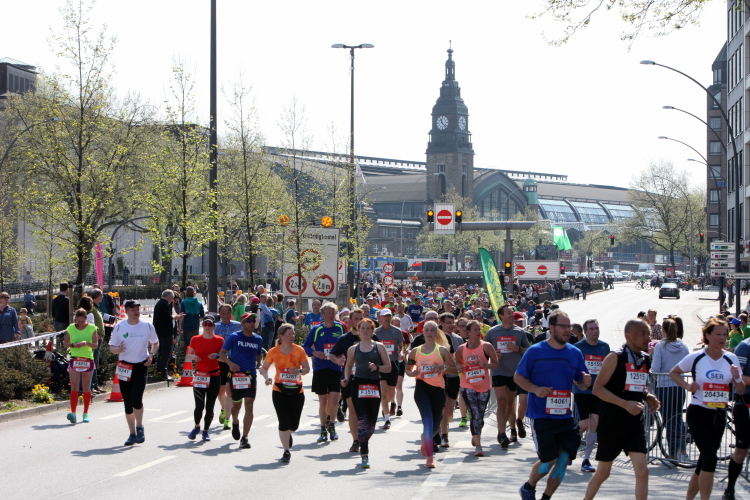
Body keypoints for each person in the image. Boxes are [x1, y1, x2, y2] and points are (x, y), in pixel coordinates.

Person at [515, 310, 591, 500]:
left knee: (564, 459)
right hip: (541, 415)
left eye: (569, 326)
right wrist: (535, 389)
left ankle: (546, 497)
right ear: (551, 327)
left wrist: (584, 382)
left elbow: (580, 382)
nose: (567, 330)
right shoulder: (535, 351)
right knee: (548, 460)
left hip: (565, 416)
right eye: (563, 326)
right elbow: (518, 377)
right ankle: (528, 487)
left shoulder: (575, 353)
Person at [583, 319, 660, 500]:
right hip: (612, 423)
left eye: (648, 334)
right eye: (643, 334)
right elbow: (598, 389)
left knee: (643, 471)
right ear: (628, 335)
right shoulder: (615, 357)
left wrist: (647, 396)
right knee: (603, 472)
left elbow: (636, 386)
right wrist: (625, 404)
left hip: (634, 423)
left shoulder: (645, 359)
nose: (647, 338)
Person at [669, 318, 744, 500]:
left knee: (704, 460)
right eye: (718, 334)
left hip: (718, 415)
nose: (722, 338)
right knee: (710, 458)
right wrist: (688, 386)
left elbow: (741, 390)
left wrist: (737, 378)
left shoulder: (731, 359)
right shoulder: (697, 357)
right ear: (707, 335)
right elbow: (674, 372)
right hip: (698, 413)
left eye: (725, 334)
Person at [406, 320, 457, 468]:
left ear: (436, 333)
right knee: (427, 422)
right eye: (426, 330)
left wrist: (443, 367)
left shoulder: (442, 351)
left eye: (432, 330)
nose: (429, 333)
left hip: (438, 390)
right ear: (423, 332)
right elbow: (408, 369)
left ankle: (425, 438)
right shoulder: (416, 351)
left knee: (435, 425)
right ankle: (430, 457)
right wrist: (412, 373)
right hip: (421, 389)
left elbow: (455, 369)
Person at [342, 319, 391, 469]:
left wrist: (377, 367)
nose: (365, 331)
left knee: (371, 423)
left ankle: (363, 440)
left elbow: (388, 367)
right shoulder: (353, 349)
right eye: (362, 328)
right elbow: (348, 365)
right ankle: (364, 454)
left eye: (368, 328)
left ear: (372, 331)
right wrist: (346, 378)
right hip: (358, 384)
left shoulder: (379, 347)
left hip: (374, 384)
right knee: (362, 420)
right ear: (358, 331)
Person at [109, 300, 159, 446]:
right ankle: (132, 434)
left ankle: (140, 427)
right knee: (127, 402)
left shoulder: (147, 326)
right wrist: (117, 350)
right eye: (133, 310)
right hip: (125, 367)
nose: (136, 312)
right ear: (126, 311)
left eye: (138, 309)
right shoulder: (120, 327)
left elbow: (155, 343)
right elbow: (112, 347)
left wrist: (151, 355)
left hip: (140, 366)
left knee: (137, 398)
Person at [259, 323, 310, 463]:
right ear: (281, 336)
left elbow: (307, 368)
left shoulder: (299, 350)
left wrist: (299, 371)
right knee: (283, 421)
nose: (292, 336)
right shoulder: (274, 351)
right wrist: (266, 377)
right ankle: (286, 450)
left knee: (293, 425)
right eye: (289, 334)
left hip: (297, 390)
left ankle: (288, 433)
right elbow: (264, 368)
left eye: (293, 334)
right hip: (279, 390)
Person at [484, 303, 530, 448]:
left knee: (510, 403)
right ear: (501, 316)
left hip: (514, 373)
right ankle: (502, 433)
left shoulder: (519, 332)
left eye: (512, 312)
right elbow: (483, 350)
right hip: (499, 371)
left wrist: (518, 348)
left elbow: (528, 350)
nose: (511, 315)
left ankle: (511, 429)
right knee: (502, 401)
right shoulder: (492, 332)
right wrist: (493, 355)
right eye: (508, 313)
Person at [303, 301, 346, 444]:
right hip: (320, 368)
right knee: (323, 402)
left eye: (333, 313)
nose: (331, 315)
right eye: (328, 313)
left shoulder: (340, 327)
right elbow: (305, 345)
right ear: (323, 315)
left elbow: (347, 344)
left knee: (334, 400)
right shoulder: (317, 329)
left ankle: (332, 426)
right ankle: (322, 429)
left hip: (335, 368)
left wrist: (344, 357)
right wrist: (315, 352)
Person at [219, 312, 264, 449]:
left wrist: (259, 363)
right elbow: (222, 353)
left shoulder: (258, 339)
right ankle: (235, 421)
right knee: (236, 406)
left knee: (249, 405)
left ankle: (245, 437)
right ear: (243, 323)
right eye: (248, 320)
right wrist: (230, 363)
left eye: (253, 320)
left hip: (250, 376)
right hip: (236, 376)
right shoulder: (235, 336)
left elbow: (259, 354)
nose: (252, 323)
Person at [329, 308, 371, 452]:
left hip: (368, 379)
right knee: (352, 410)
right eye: (356, 319)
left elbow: (381, 354)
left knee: (365, 411)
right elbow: (332, 354)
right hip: (349, 378)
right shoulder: (344, 339)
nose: (358, 321)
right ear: (351, 321)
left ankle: (364, 435)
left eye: (361, 318)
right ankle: (356, 440)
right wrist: (338, 361)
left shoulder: (372, 337)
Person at [455, 319, 499, 456]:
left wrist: (485, 365)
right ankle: (478, 446)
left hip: (484, 385)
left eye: (479, 329)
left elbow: (496, 363)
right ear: (468, 332)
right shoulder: (462, 348)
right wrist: (459, 366)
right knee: (474, 413)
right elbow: (457, 362)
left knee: (479, 415)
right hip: (467, 384)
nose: (478, 332)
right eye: (475, 329)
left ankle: (476, 432)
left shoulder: (486, 346)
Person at [573, 319, 611, 473]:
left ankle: (586, 460)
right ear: (585, 332)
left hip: (597, 391)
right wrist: (578, 381)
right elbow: (572, 368)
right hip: (581, 390)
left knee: (594, 423)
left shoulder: (604, 347)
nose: (595, 331)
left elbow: (608, 368)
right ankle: (568, 447)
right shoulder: (578, 347)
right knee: (583, 425)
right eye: (592, 329)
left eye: (597, 328)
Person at [651, 318, 690, 462]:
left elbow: (655, 368)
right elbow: (688, 364)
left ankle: (673, 453)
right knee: (677, 419)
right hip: (679, 387)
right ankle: (681, 450)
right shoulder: (683, 345)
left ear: (663, 330)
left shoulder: (661, 346)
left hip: (664, 387)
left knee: (669, 421)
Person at [186, 317, 224, 441]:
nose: (207, 327)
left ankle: (206, 431)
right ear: (202, 325)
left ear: (214, 327)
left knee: (210, 405)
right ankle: (197, 426)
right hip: (200, 376)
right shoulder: (196, 339)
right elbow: (189, 354)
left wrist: (217, 356)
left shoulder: (219, 340)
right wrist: (194, 357)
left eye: (210, 325)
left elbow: (224, 358)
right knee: (199, 405)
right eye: (205, 324)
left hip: (214, 376)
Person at [726, 332, 750, 499]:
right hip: (745, 403)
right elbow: (737, 378)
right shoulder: (744, 346)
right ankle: (730, 489)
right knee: (741, 450)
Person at [64, 309, 99, 423]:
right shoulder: (71, 328)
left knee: (86, 387)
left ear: (86, 319)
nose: (80, 323)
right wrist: (73, 344)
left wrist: (86, 343)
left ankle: (85, 413)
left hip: (87, 359)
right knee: (74, 386)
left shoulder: (92, 328)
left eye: (82, 321)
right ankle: (73, 413)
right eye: (78, 321)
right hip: (75, 358)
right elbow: (65, 343)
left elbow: (95, 345)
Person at [214, 303, 243, 431]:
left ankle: (227, 419)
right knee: (220, 392)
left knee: (229, 391)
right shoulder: (215, 327)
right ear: (219, 314)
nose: (225, 316)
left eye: (227, 313)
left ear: (231, 314)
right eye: (223, 313)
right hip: (220, 361)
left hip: (233, 361)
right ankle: (224, 408)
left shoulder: (237, 325)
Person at [374, 308, 403, 429]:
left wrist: (401, 353)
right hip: (381, 364)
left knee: (391, 393)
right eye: (385, 316)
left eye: (389, 316)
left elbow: (401, 346)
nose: (387, 318)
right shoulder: (376, 332)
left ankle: (392, 402)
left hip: (393, 363)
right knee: (383, 392)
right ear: (380, 318)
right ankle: (387, 419)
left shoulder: (397, 331)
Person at [153, 290, 182, 381]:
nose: (172, 300)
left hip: (160, 332)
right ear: (169, 296)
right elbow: (167, 318)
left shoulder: (160, 303)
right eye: (172, 298)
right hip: (165, 333)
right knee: (165, 353)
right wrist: (176, 317)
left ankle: (160, 371)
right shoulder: (164, 304)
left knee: (163, 353)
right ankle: (163, 372)